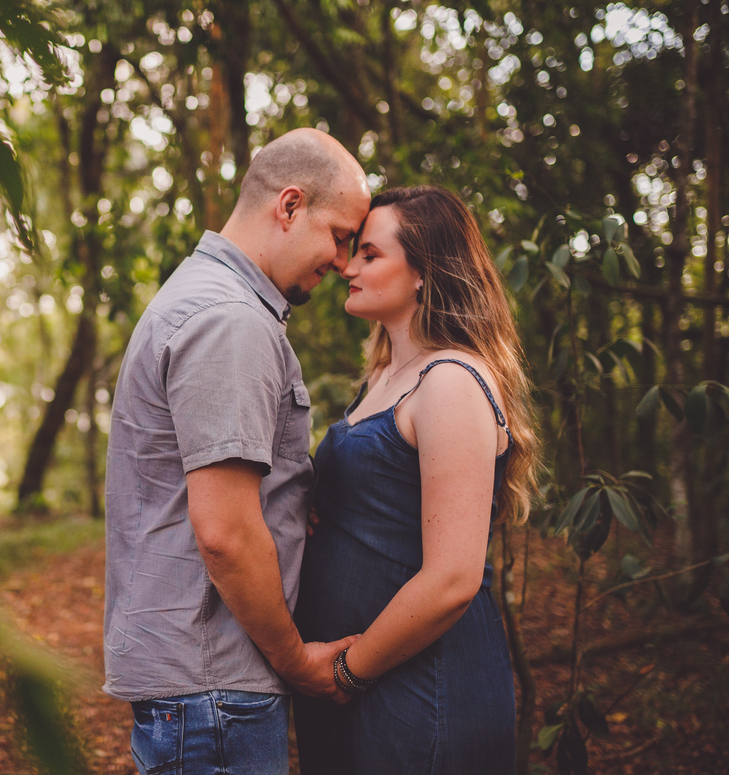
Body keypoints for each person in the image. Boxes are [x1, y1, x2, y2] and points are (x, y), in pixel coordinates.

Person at [102, 128, 371, 775]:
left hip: (199, 686)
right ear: (288, 206)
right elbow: (224, 532)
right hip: (216, 687)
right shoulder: (231, 320)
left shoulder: (202, 297)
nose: (342, 262)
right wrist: (297, 659)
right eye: (339, 235)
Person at [293, 185, 541, 773]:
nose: (348, 267)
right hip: (355, 684)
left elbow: (453, 578)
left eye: (371, 255)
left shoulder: (451, 380)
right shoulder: (386, 373)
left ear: (425, 271)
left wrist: (349, 673)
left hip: (418, 687)